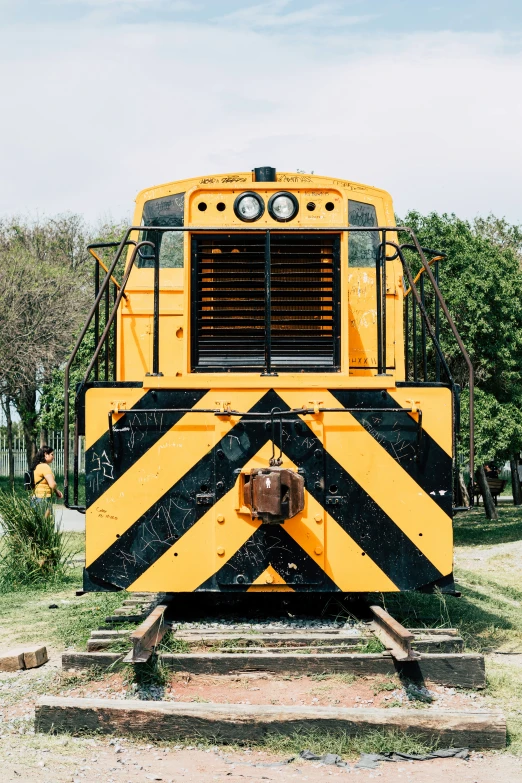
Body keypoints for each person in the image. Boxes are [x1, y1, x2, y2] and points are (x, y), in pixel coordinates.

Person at [31, 446, 63, 514]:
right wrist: (57, 491)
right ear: (45, 454)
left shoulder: (37, 466)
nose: (53, 457)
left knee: (37, 522)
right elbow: (52, 484)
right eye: (52, 454)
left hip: (35, 497)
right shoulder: (45, 467)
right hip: (44, 499)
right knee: (45, 523)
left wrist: (56, 492)